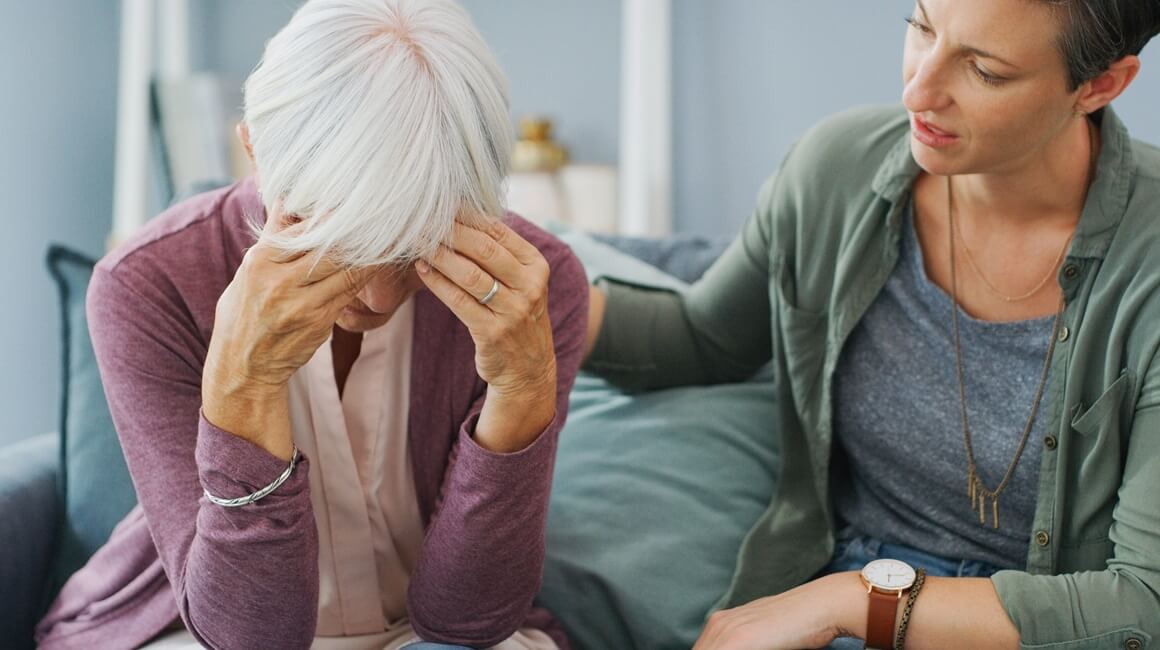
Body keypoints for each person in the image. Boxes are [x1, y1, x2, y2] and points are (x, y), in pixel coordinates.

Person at [585, 0, 1160, 647]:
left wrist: (852, 599)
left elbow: (1145, 602)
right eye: (921, 28)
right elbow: (702, 339)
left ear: (1101, 85)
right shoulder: (836, 170)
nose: (918, 90)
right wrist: (532, 291)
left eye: (986, 71)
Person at [35, 1, 588, 648]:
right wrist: (244, 385)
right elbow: (246, 635)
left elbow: (467, 623)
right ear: (254, 152)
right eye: (342, 240)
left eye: (417, 242)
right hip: (194, 627)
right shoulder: (147, 283)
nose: (378, 295)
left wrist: (522, 392)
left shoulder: (537, 288)